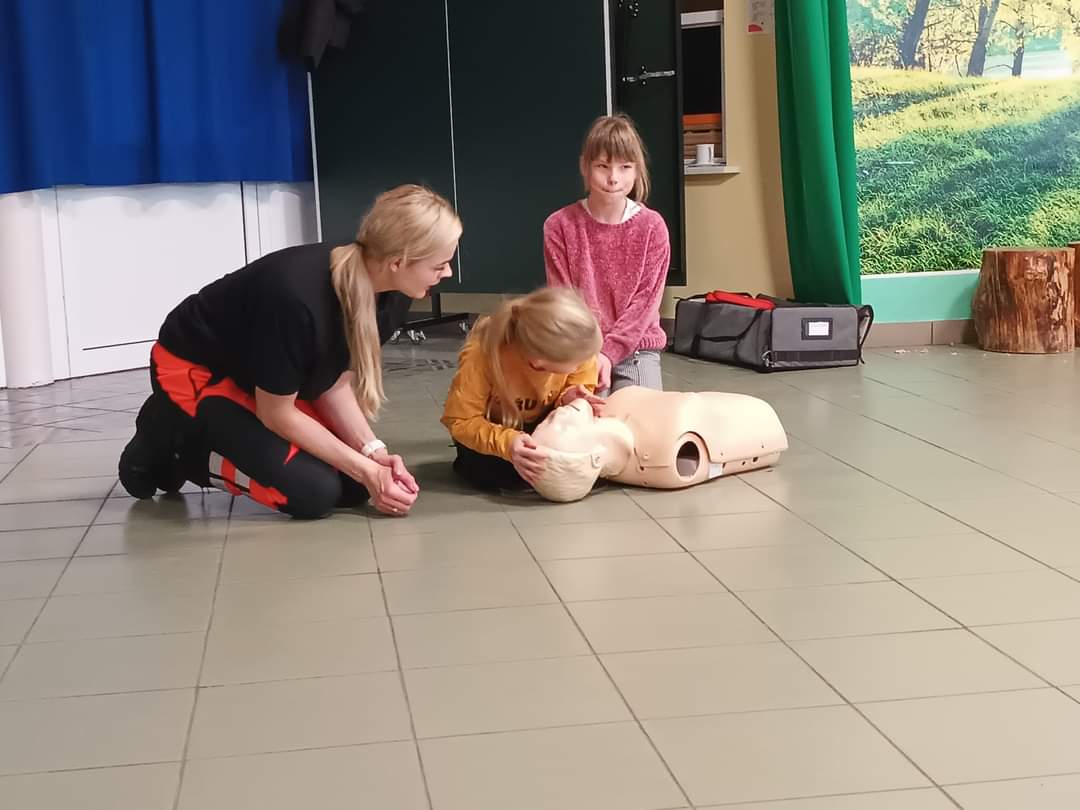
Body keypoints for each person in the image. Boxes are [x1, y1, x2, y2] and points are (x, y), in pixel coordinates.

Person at [118, 184, 461, 519]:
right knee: (311, 494)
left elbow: (332, 382)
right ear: (398, 262)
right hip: (196, 369)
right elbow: (277, 414)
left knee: (354, 487)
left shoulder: (391, 292)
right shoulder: (296, 298)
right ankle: (175, 439)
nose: (448, 272)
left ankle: (207, 429)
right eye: (439, 265)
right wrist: (366, 470)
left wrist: (374, 455)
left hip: (260, 377)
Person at [543, 113, 671, 394]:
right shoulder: (559, 225)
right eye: (602, 166)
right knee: (583, 415)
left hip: (637, 349)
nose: (613, 178)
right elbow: (564, 300)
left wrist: (609, 353)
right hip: (581, 348)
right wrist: (591, 355)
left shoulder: (652, 227)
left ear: (637, 170)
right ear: (584, 166)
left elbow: (644, 305)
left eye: (625, 167)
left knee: (639, 417)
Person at [441, 287, 604, 493]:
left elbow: (579, 383)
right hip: (491, 430)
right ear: (538, 361)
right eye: (577, 363)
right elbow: (460, 421)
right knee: (498, 473)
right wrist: (508, 444)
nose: (584, 363)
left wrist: (568, 399)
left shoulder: (579, 350)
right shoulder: (482, 355)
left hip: (537, 424)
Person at [529, 387, 789, 502]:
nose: (559, 414)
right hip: (755, 421)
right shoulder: (662, 454)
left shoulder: (612, 404)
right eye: (560, 426)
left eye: (548, 419)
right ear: (594, 458)